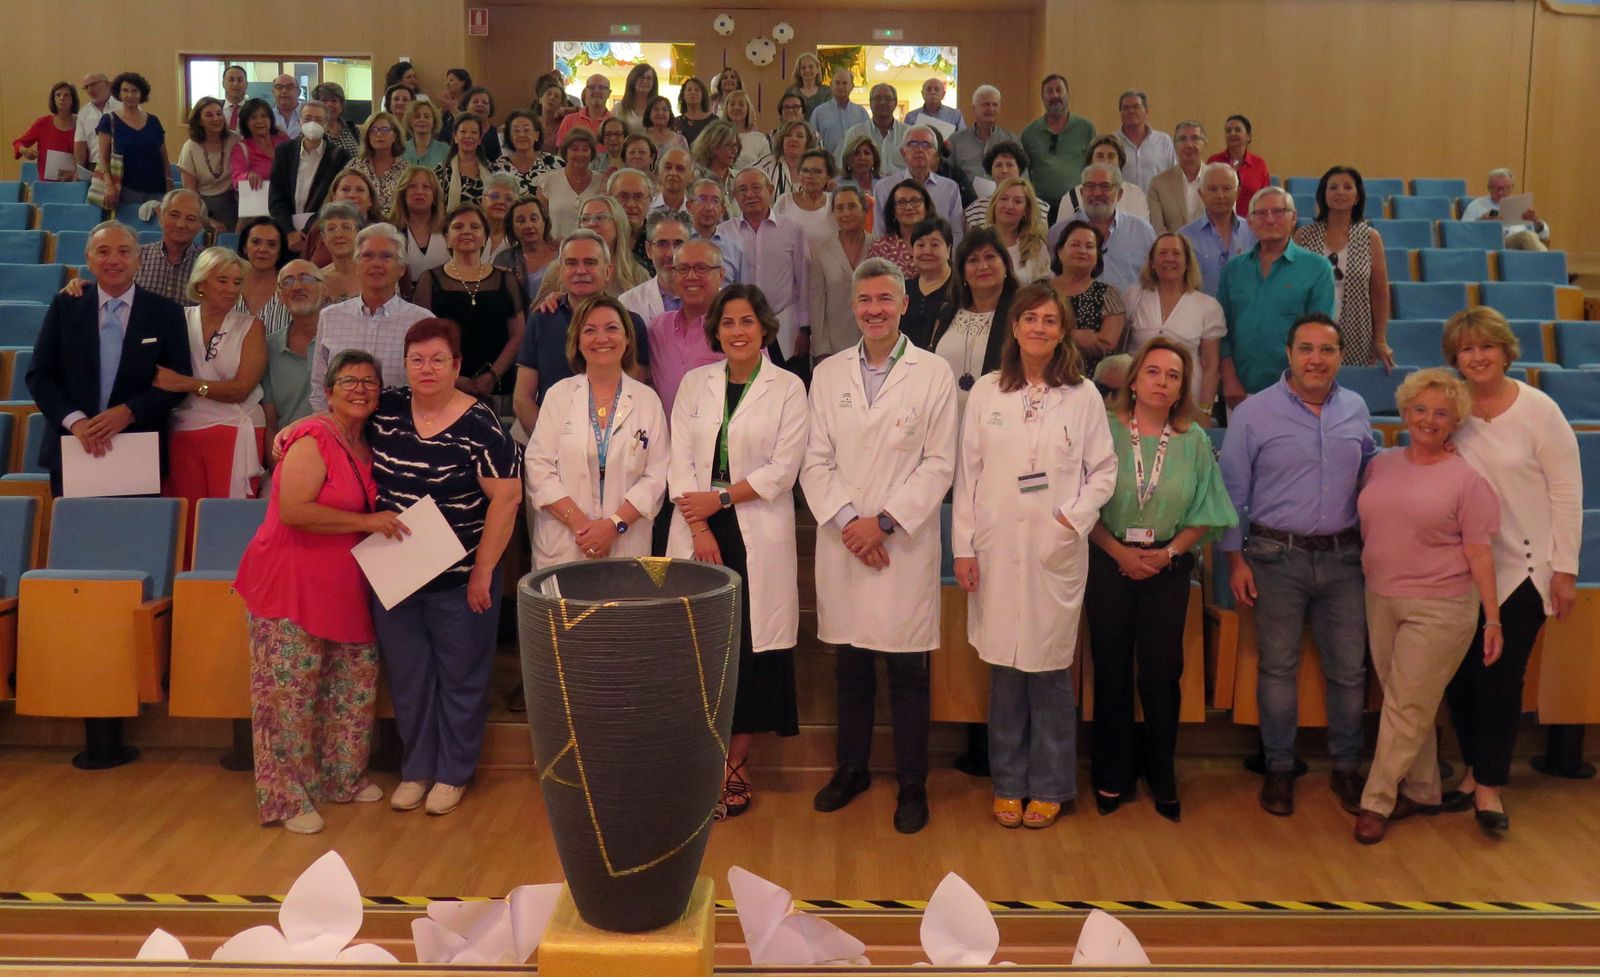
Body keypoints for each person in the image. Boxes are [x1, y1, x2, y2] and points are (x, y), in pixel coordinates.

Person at [951, 283, 1117, 829]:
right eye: (1030, 319)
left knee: (1048, 672)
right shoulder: (989, 393)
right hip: (996, 549)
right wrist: (963, 547)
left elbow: (1104, 472)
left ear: (1063, 330)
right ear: (1015, 328)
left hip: (1054, 549)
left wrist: (1069, 520)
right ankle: (1009, 783)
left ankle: (1049, 784)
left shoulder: (1083, 395)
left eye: (1050, 320)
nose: (1040, 328)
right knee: (1004, 671)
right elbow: (967, 475)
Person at [802, 257, 958, 834]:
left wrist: (883, 523)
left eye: (884, 300)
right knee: (851, 664)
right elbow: (814, 459)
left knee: (908, 669)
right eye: (865, 300)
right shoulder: (828, 373)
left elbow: (940, 462)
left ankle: (913, 780)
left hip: (900, 544)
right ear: (853, 307)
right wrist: (850, 523)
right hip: (846, 541)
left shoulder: (933, 373)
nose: (874, 310)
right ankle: (852, 768)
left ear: (903, 304)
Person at [234, 350, 399, 834]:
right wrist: (367, 521)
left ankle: (340, 778)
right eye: (348, 380)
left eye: (369, 381)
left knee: (350, 686)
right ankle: (287, 797)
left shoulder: (370, 443)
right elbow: (294, 511)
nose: (360, 389)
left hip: (347, 584)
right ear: (327, 392)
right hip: (291, 581)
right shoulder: (311, 436)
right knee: (288, 696)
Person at [1220, 313, 1377, 817]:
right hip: (1273, 558)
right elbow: (1231, 494)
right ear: (1288, 354)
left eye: (1327, 350)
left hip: (1345, 559)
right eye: (1306, 349)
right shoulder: (1253, 413)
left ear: (1339, 357)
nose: (1316, 359)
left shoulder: (1355, 408)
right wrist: (1234, 560)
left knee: (1350, 672)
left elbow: (1372, 474)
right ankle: (1280, 770)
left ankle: (1348, 768)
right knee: (1278, 668)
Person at [366, 319, 521, 817]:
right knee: (409, 678)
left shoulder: (481, 424)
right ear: (405, 365)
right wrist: (292, 433)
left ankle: (453, 773)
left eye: (438, 359)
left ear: (456, 365)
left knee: (462, 676)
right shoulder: (387, 408)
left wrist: (483, 571)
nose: (427, 369)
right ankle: (416, 769)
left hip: (462, 579)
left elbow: (507, 498)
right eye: (417, 360)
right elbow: (336, 425)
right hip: (395, 573)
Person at [667, 283, 808, 818]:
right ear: (715, 331)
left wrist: (720, 498)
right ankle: (698, 763)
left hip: (754, 526)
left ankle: (733, 766)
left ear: (765, 327)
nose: (737, 331)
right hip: (697, 526)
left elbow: (782, 468)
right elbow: (679, 460)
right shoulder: (693, 384)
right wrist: (700, 522)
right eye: (727, 323)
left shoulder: (788, 387)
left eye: (747, 321)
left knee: (749, 650)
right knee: (699, 651)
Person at [1442, 307, 1582, 833]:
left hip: (1524, 570)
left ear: (1505, 351)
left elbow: (1567, 493)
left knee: (1501, 680)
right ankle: (1475, 770)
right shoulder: (1450, 408)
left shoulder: (1540, 410)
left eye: (1487, 347)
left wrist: (1564, 570)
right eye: (1466, 349)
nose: (1477, 357)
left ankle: (1490, 787)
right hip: (1460, 570)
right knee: (1461, 679)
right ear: (1455, 358)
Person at [1087, 336, 1237, 822]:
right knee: (1110, 669)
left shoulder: (1193, 439)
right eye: (1153, 372)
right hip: (1108, 561)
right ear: (1134, 380)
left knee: (1160, 672)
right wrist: (1118, 552)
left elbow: (1208, 511)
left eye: (1173, 376)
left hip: (1167, 568)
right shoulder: (1103, 430)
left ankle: (1161, 770)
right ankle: (1112, 773)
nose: (1162, 382)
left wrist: (1166, 552)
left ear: (1181, 390)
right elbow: (1079, 501)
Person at [1351, 368, 1502, 844]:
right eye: (1420, 409)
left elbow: (1480, 552)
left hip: (1442, 606)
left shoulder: (1468, 480)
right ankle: (1424, 789)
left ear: (1455, 421)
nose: (1429, 420)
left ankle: (1376, 801)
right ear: (1405, 412)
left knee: (1405, 704)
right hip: (1380, 597)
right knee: (1406, 702)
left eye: (1441, 413)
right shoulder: (1382, 463)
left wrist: (1493, 618)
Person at [28, 220, 191, 500]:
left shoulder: (166, 312)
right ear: (88, 260)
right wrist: (76, 422)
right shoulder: (66, 305)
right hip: (74, 446)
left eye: (124, 251)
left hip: (137, 448)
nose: (114, 260)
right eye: (103, 251)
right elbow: (40, 376)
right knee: (73, 538)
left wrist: (129, 411)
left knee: (133, 539)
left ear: (139, 259)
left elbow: (177, 381)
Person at [525, 293, 669, 570]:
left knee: (620, 613)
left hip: (626, 543)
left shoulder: (646, 399)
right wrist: (581, 525)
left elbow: (657, 475)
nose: (601, 338)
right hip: (566, 542)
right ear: (577, 342)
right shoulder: (559, 396)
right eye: (589, 330)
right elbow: (538, 468)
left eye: (611, 328)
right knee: (566, 614)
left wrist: (613, 527)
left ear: (627, 338)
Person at [512, 230, 651, 433]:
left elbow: (634, 395)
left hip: (614, 445)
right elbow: (522, 398)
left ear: (608, 271)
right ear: (560, 271)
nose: (580, 270)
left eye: (590, 262)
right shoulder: (541, 319)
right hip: (551, 444)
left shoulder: (630, 323)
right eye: (571, 263)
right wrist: (551, 444)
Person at [158, 247, 267, 504]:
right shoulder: (177, 320)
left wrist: (186, 384)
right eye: (222, 280)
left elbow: (241, 389)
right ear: (201, 283)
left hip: (234, 428)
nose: (231, 289)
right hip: (182, 430)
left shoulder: (251, 326)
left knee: (225, 518)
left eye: (237, 282)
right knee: (187, 517)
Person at [1218, 187, 1336, 405]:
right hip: (1240, 391)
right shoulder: (1233, 270)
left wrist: (1299, 386)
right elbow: (1221, 332)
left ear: (1293, 218)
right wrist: (1229, 379)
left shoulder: (1317, 268)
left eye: (1278, 211)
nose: (1270, 220)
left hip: (1296, 392)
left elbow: (1320, 335)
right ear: (1250, 222)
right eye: (1261, 213)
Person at [309, 223, 433, 410]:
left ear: (401, 269)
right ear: (356, 265)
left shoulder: (422, 321)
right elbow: (319, 387)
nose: (376, 264)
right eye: (367, 256)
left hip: (402, 429)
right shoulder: (330, 317)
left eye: (386, 256)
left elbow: (430, 386)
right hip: (342, 430)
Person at [412, 203, 525, 401]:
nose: (467, 232)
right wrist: (451, 375)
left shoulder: (506, 279)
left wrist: (493, 375)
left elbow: (518, 334)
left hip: (498, 385)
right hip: (444, 383)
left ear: (484, 237)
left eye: (475, 227)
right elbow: (422, 337)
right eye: (458, 227)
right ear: (447, 238)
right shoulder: (429, 280)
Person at [1292, 167, 1392, 369]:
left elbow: (1380, 292)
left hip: (1356, 331)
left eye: (1348, 187)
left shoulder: (1370, 237)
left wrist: (1380, 339)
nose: (1340, 192)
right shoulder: (1303, 236)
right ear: (1324, 195)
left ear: (1357, 197)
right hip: (1312, 330)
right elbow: (1292, 289)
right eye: (1333, 187)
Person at [719, 168, 811, 370]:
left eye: (756, 188)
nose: (750, 195)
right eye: (742, 189)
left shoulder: (793, 229)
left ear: (770, 190)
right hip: (741, 327)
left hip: (786, 329)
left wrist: (805, 329)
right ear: (734, 197)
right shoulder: (724, 232)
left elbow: (803, 280)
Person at [1124, 233, 1224, 408]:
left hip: (1187, 401)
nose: (1169, 259)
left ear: (1187, 263)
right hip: (1137, 399)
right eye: (1162, 253)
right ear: (1152, 263)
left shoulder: (1208, 306)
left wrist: (1205, 410)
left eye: (1177, 254)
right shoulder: (1134, 296)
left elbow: (1210, 365)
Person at [927, 228, 1017, 411]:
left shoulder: (1021, 315)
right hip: (944, 419)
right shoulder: (946, 312)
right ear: (963, 272)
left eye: (990, 257)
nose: (982, 266)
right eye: (973, 260)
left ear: (1006, 265)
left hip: (997, 418)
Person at [1046, 162, 1156, 291]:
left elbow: (1153, 277)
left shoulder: (1142, 231)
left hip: (1130, 310)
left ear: (1119, 194)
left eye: (1105, 186)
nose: (1097, 193)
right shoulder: (1058, 232)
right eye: (1090, 186)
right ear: (1082, 193)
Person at [645, 238, 725, 416]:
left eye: (701, 268)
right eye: (682, 269)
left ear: (721, 274)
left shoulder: (736, 328)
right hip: (667, 440)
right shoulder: (657, 328)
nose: (691, 276)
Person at [268, 102, 351, 255]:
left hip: (320, 234)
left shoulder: (339, 157)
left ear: (326, 124)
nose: (312, 123)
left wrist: (308, 231)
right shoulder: (284, 151)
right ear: (299, 122)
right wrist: (290, 231)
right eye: (307, 118)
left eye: (318, 120)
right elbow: (276, 195)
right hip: (285, 234)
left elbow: (334, 199)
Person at [1049, 220, 1126, 374]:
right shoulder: (1038, 290)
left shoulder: (1109, 295)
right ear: (1059, 252)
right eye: (1075, 245)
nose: (1082, 251)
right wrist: (1074, 336)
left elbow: (1106, 344)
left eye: (1089, 246)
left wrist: (1053, 336)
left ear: (1098, 255)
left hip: (1088, 381)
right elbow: (1026, 331)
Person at [261, 260, 325, 441]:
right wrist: (278, 468)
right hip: (288, 452)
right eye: (288, 282)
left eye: (306, 279)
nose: (297, 286)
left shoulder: (343, 339)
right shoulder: (269, 348)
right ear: (280, 296)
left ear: (324, 290)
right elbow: (270, 425)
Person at [807, 186, 872, 359]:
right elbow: (816, 303)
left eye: (852, 206)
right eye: (840, 208)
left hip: (873, 342)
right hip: (834, 347)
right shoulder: (821, 250)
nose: (846, 213)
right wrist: (821, 349)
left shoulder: (878, 246)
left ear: (864, 209)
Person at [872, 125, 965, 245]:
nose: (920, 149)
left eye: (926, 145)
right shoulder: (884, 187)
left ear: (935, 154)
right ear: (903, 152)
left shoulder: (950, 188)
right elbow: (880, 231)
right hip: (894, 258)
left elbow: (957, 232)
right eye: (913, 144)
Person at [1020, 75, 1095, 223]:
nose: (1054, 95)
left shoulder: (1086, 128)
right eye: (1049, 91)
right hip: (1041, 210)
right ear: (1042, 97)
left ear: (1067, 94)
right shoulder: (1029, 133)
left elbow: (1094, 167)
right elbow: (1024, 174)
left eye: (1059, 90)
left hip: (1078, 207)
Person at [95, 72, 172, 208]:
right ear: (118, 93)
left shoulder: (154, 121)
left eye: (134, 91)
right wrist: (109, 185)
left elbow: (164, 156)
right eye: (125, 90)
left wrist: (169, 182)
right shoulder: (109, 120)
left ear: (141, 94)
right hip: (125, 190)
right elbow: (103, 158)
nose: (129, 95)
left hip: (157, 189)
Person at [1179, 161, 1255, 297]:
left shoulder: (1253, 231)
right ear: (1201, 194)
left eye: (1226, 188)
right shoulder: (1184, 237)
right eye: (1213, 189)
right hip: (1201, 315)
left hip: (1245, 312)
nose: (1220, 196)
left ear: (1237, 193)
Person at [132, 189, 208, 306]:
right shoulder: (137, 257)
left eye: (191, 219)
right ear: (161, 217)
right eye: (174, 215)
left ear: (200, 225)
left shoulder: (209, 265)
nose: (181, 224)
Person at [1058, 136, 1150, 226]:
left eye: (1111, 156)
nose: (1105, 161)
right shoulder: (1072, 196)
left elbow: (1142, 231)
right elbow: (1061, 234)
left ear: (1120, 161)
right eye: (1100, 156)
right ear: (1091, 161)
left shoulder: (1136, 194)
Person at [179, 97, 241, 230]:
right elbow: (191, 193)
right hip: (203, 208)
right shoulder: (190, 147)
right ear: (199, 121)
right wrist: (206, 220)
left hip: (235, 203)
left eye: (219, 113)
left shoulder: (235, 140)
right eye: (209, 115)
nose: (216, 118)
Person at [621, 209, 690, 325]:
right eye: (662, 244)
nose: (671, 254)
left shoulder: (714, 298)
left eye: (679, 244)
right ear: (648, 249)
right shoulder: (629, 302)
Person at [1461, 168, 1551, 251]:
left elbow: (1544, 236)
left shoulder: (1520, 204)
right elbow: (1462, 235)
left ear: (1512, 187)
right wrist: (1481, 222)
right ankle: (1548, 263)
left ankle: (1546, 263)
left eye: (1505, 188)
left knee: (1529, 236)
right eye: (1496, 188)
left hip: (1520, 249)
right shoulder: (1476, 206)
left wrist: (1536, 220)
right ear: (1489, 188)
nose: (1500, 192)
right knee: (1526, 236)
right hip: (1491, 245)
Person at [901, 218, 954, 350]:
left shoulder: (961, 289)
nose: (927, 251)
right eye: (920, 245)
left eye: (935, 245)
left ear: (949, 249)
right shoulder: (902, 288)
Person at [391, 165, 449, 284]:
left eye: (426, 187)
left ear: (435, 196)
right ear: (402, 194)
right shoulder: (390, 231)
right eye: (412, 186)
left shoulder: (449, 229)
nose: (419, 192)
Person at [986, 178, 1051, 283]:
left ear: (1026, 210)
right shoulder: (978, 241)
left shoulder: (1036, 247)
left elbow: (1043, 287)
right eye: (1004, 199)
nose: (1009, 206)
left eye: (1018, 201)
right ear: (994, 203)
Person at [1147, 121, 1207, 235]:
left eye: (1195, 138)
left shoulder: (1217, 180)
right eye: (1182, 139)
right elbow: (1157, 228)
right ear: (1175, 145)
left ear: (1205, 143)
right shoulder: (1158, 184)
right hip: (1172, 250)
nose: (1189, 145)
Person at [540, 128, 601, 238]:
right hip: (556, 251)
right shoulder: (547, 181)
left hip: (593, 250)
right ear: (565, 152)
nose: (580, 154)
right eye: (575, 149)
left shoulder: (602, 182)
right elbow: (540, 223)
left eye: (585, 149)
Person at [947, 85, 1013, 186]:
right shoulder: (956, 140)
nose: (991, 109)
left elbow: (1022, 177)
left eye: (995, 105)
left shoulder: (1011, 140)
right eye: (986, 104)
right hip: (965, 199)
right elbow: (947, 175)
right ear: (974, 108)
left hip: (1002, 198)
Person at [496, 195, 560, 298]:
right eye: (521, 221)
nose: (528, 225)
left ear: (544, 221)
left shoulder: (563, 252)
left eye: (534, 219)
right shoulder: (504, 260)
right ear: (511, 227)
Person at [1207, 115, 1269, 218]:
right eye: (1228, 130)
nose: (1232, 133)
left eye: (1237, 130)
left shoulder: (1259, 164)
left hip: (1251, 225)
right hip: (1217, 222)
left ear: (1249, 136)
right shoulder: (1214, 161)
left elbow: (1265, 199)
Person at [14, 81, 78, 181]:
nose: (62, 98)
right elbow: (18, 143)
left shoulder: (81, 123)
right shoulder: (43, 123)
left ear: (73, 99)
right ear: (53, 99)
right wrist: (24, 150)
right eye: (58, 95)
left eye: (66, 95)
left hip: (75, 183)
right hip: (47, 185)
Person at [1111, 91, 1174, 193]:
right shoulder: (1111, 142)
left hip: (1156, 205)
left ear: (1147, 111)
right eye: (1126, 108)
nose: (1131, 111)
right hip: (1122, 205)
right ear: (1120, 113)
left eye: (1136, 107)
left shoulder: (1163, 141)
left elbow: (1173, 176)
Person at [234, 216, 289, 332]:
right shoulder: (230, 285)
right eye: (256, 242)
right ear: (244, 247)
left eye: (272, 244)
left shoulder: (291, 287)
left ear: (280, 251)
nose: (263, 249)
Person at [868, 179, 932, 277]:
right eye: (901, 202)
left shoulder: (938, 242)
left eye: (915, 201)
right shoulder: (880, 248)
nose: (909, 207)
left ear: (926, 208)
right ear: (893, 211)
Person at [840, 85, 909, 176]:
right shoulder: (855, 133)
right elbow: (843, 166)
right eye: (877, 98)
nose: (882, 102)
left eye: (887, 98)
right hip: (865, 187)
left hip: (902, 187)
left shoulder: (908, 133)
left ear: (895, 103)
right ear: (870, 102)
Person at [495, 109, 562, 197]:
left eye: (526, 130)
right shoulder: (499, 165)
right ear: (510, 137)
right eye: (516, 131)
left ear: (536, 135)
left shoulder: (554, 163)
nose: (521, 135)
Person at [350, 111, 406, 217]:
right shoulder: (354, 166)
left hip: (395, 226)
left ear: (395, 136)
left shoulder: (406, 170)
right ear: (367, 136)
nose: (379, 134)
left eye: (385, 130)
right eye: (373, 130)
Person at [773, 148, 835, 242]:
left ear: (829, 176)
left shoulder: (835, 202)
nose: (809, 176)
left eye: (816, 171)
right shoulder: (784, 201)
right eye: (805, 170)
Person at [230, 99, 286, 203]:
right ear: (246, 122)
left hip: (287, 204)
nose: (260, 121)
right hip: (259, 207)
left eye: (264, 116)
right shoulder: (241, 148)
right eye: (253, 118)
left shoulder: (282, 140)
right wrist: (248, 176)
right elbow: (236, 178)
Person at [436, 113, 491, 211]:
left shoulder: (492, 170)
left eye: (474, 132)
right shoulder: (441, 171)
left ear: (480, 139)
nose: (468, 136)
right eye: (463, 131)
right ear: (455, 137)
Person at [811, 68, 869, 159]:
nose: (841, 87)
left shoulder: (861, 113)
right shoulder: (819, 113)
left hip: (856, 167)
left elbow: (868, 142)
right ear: (831, 85)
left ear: (852, 86)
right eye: (837, 83)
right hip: (829, 167)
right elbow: (812, 144)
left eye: (845, 83)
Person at [313, 201, 360, 304]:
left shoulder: (374, 275)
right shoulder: (316, 281)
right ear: (323, 237)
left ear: (358, 233)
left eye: (346, 227)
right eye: (331, 229)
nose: (339, 234)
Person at [74, 72, 122, 171]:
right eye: (86, 87)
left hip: (124, 163)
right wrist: (79, 171)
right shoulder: (84, 113)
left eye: (93, 84)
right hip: (96, 166)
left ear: (107, 84)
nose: (90, 90)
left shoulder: (123, 106)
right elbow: (80, 144)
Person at [761, 119, 815, 199]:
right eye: (788, 135)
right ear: (782, 140)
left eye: (800, 136)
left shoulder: (817, 169)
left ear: (808, 143)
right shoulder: (766, 164)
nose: (793, 139)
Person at [555, 74, 613, 145]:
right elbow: (561, 152)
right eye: (592, 87)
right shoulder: (569, 121)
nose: (596, 91)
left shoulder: (614, 123)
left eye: (601, 87)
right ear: (586, 92)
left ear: (609, 93)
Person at [312, 82, 360, 160]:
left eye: (334, 101)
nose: (329, 105)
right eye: (324, 100)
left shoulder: (353, 129)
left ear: (341, 105)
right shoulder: (311, 132)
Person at [479, 171, 520, 262]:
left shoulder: (519, 239)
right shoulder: (470, 234)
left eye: (509, 199)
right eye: (494, 196)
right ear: (482, 200)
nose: (501, 202)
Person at [402, 100, 451, 170]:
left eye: (427, 116)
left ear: (434, 121)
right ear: (410, 121)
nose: (422, 119)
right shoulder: (402, 149)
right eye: (417, 116)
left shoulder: (445, 150)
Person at [673, 77, 716, 149]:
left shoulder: (715, 121)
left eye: (697, 90)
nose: (693, 92)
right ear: (683, 96)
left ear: (703, 95)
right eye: (689, 90)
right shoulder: (676, 122)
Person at [462, 87, 502, 161]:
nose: (480, 104)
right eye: (475, 101)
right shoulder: (459, 132)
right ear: (466, 106)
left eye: (485, 103)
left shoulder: (498, 135)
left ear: (490, 109)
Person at [615, 63, 658, 130]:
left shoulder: (659, 108)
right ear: (633, 80)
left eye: (649, 78)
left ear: (653, 83)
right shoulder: (619, 108)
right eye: (641, 77)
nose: (645, 80)